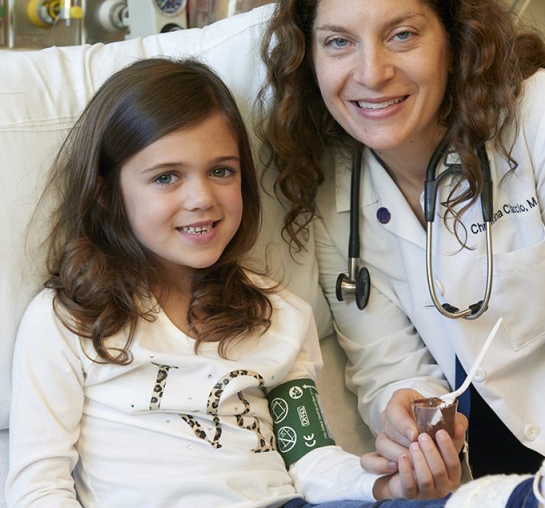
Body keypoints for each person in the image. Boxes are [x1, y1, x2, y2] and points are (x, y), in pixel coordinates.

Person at [257, 0, 545, 487]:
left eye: (402, 34)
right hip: (472, 485)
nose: (372, 72)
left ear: (453, 35)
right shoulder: (333, 176)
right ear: (308, 57)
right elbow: (385, 359)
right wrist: (406, 416)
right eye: (338, 42)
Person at [6, 57, 461, 507]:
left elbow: (312, 459)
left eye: (221, 171)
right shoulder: (70, 320)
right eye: (166, 177)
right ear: (107, 195)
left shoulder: (276, 314)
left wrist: (384, 486)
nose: (202, 198)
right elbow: (38, 490)